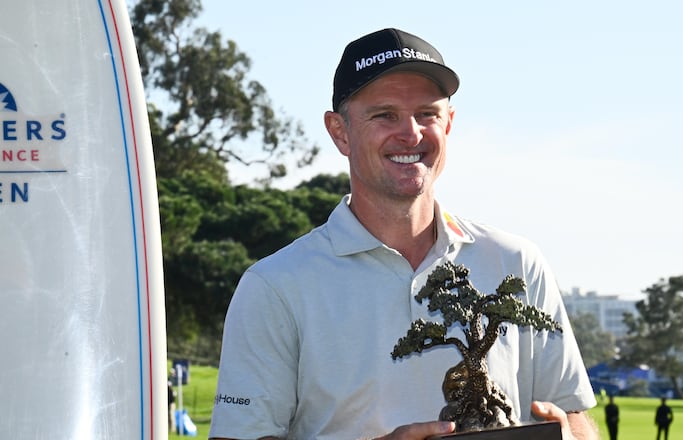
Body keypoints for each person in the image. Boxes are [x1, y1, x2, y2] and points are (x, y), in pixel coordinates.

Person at [208, 27, 598, 440]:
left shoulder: (518, 263)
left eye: (427, 114)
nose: (411, 134)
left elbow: (573, 417)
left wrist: (572, 435)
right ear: (339, 131)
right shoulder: (275, 286)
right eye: (384, 115)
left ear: (448, 124)